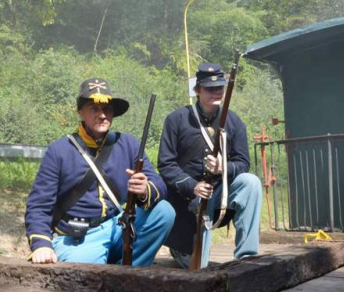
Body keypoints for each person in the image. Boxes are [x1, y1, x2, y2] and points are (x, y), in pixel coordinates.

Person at [25, 78, 175, 266]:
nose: (102, 115)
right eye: (94, 109)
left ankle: (133, 273)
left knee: (164, 212)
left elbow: (158, 184)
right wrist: (41, 244)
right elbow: (39, 204)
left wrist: (145, 189)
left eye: (107, 109)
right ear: (81, 112)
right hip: (80, 238)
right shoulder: (59, 150)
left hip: (119, 227)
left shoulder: (128, 143)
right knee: (81, 282)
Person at [158, 64, 261, 269]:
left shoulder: (234, 121)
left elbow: (243, 163)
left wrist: (224, 168)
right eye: (209, 88)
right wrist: (192, 186)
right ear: (197, 90)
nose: (216, 92)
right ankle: (181, 248)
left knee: (251, 182)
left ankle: (246, 256)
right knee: (198, 268)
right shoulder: (176, 119)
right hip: (188, 203)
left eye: (220, 88)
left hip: (219, 197)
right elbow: (166, 164)